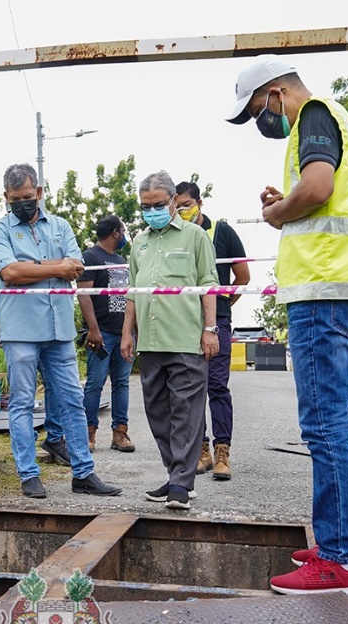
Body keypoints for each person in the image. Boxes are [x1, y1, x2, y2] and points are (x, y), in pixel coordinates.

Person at [226, 54, 348, 598]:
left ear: (277, 92)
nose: (260, 121)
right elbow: (325, 193)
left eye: (258, 108)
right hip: (346, 286)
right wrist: (290, 203)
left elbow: (319, 187)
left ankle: (341, 559)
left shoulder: (314, 115)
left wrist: (278, 213)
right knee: (333, 425)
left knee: (323, 426)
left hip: (326, 288)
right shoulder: (336, 118)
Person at [0, 162, 121, 499]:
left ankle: (83, 473)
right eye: (15, 199)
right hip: (20, 331)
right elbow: (10, 273)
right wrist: (55, 267)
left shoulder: (61, 226)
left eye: (27, 196)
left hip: (59, 330)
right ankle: (29, 474)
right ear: (6, 197)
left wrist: (38, 267)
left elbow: (75, 267)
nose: (22, 203)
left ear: (39, 192)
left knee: (73, 400)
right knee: (21, 403)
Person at [120, 171, 219, 510]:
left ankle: (181, 482)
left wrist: (210, 329)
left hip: (185, 338)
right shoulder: (139, 242)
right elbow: (133, 292)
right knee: (157, 412)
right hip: (150, 342)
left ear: (174, 200)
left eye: (158, 205)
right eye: (146, 207)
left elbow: (209, 284)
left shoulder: (195, 237)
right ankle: (176, 474)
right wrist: (127, 332)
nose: (152, 211)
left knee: (187, 413)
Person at [174, 181, 251, 480]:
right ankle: (201, 450)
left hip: (216, 320)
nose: (182, 210)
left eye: (186, 205)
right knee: (191, 389)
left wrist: (223, 305)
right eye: (177, 206)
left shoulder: (223, 232)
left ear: (199, 203)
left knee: (217, 385)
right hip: (184, 320)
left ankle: (222, 452)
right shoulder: (175, 235)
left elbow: (242, 276)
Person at [0, 256, 69, 466]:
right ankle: (27, 460)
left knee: (57, 387)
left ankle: (55, 438)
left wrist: (30, 270)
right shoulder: (0, 243)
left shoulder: (48, 239)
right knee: (23, 396)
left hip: (50, 327)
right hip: (19, 328)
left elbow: (72, 266)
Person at [77, 215, 134, 453]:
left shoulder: (121, 260)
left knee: (121, 383)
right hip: (101, 334)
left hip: (123, 334)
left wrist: (131, 331)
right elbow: (83, 295)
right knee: (95, 384)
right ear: (115, 233)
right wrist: (93, 330)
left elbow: (130, 297)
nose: (124, 235)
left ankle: (120, 433)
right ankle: (88, 434)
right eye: (123, 231)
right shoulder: (90, 257)